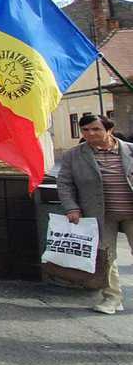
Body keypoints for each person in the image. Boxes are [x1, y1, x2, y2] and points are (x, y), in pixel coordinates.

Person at [57, 115, 133, 314]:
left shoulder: (130, 150)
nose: (90, 134)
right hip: (100, 214)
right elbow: (64, 183)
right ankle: (112, 298)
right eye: (85, 130)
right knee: (106, 258)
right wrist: (71, 208)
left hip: (130, 212)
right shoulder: (74, 155)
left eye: (96, 129)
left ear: (109, 130)